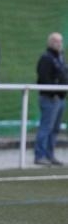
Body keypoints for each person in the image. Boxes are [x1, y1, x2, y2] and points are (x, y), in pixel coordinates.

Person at [34, 32, 67, 166]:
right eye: (55, 41)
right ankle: (40, 155)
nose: (58, 43)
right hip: (50, 98)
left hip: (60, 98)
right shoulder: (46, 58)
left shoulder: (60, 57)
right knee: (46, 127)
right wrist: (54, 93)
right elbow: (44, 78)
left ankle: (50, 154)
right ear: (49, 42)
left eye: (60, 41)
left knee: (55, 129)